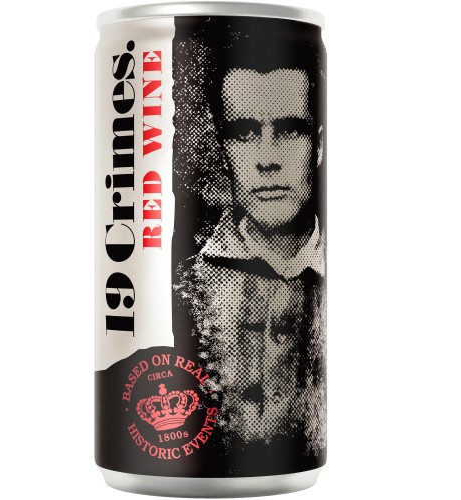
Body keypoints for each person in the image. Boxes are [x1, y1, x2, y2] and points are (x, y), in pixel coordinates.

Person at [175, 19, 326, 458]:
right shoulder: (183, 287)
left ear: (318, 145)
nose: (267, 160)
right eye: (244, 134)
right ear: (225, 149)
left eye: (290, 130)